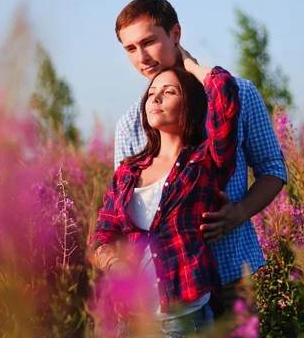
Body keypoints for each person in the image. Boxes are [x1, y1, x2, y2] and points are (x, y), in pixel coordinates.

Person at [113, 0, 288, 315]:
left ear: (175, 34)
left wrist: (237, 213)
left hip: (231, 275)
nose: (141, 57)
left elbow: (273, 170)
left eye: (149, 41)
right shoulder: (130, 124)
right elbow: (123, 215)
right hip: (169, 295)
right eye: (130, 48)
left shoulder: (240, 94)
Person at [89, 52, 240, 336]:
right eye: (151, 93)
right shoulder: (128, 171)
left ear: (191, 105)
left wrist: (190, 66)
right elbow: (101, 236)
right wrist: (113, 263)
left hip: (184, 320)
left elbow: (224, 90)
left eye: (169, 92)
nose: (155, 99)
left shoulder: (206, 161)